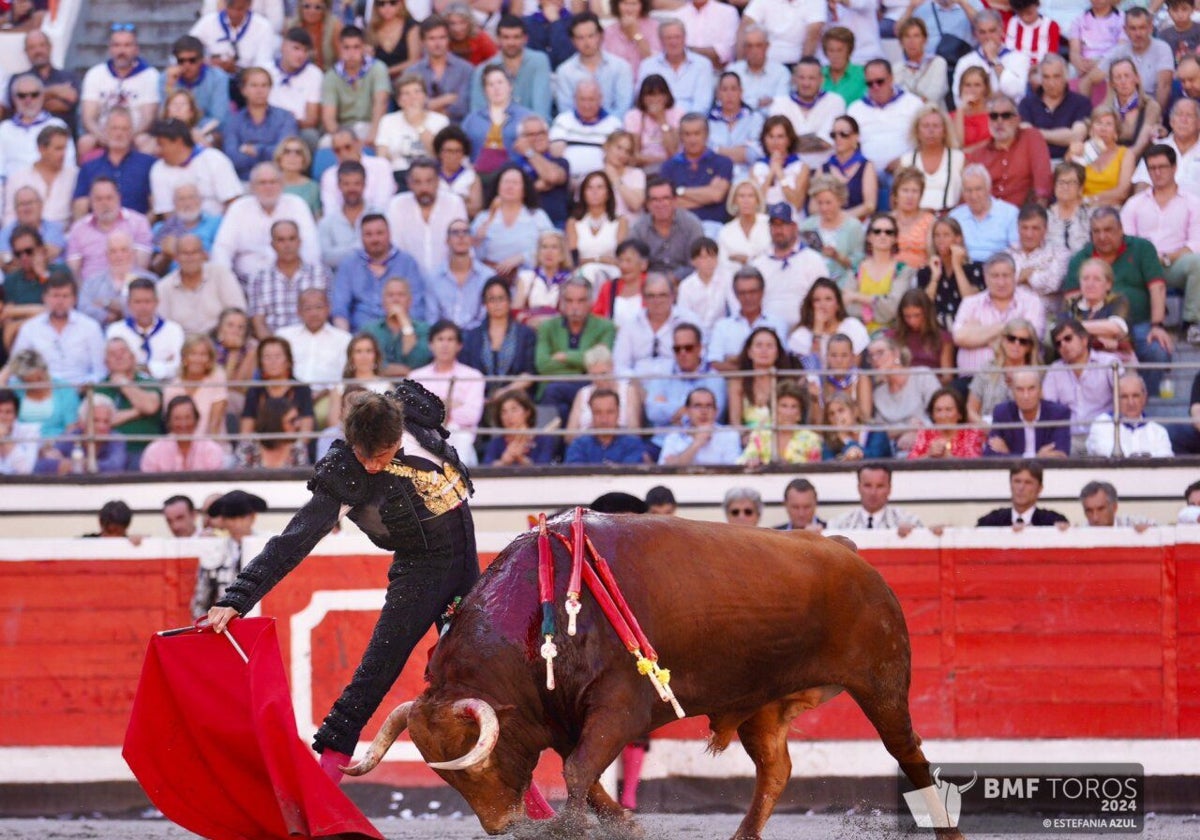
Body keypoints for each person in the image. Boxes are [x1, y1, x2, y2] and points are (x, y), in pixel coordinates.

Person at [211, 387, 496, 784]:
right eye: (362, 454)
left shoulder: (415, 416)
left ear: (398, 435)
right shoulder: (346, 470)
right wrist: (238, 597)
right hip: (419, 575)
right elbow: (295, 539)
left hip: (466, 567)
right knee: (374, 675)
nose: (370, 465)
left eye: (378, 455)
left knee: (489, 678)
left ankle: (527, 804)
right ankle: (320, 790)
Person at [1062, 207, 1173, 394]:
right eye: (1096, 231)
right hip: (1094, 327)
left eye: (1108, 230)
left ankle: (1145, 405)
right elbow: (1071, 303)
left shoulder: (1142, 248)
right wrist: (1093, 334)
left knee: (1157, 351)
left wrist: (1157, 325)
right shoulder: (1080, 259)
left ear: (1121, 230)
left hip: (1140, 325)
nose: (1102, 236)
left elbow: (1157, 288)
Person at [1120, 144, 1200, 346]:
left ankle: (1192, 322)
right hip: (1140, 267)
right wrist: (1147, 260)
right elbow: (1127, 241)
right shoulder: (1134, 204)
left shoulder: (1192, 202)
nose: (1157, 172)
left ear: (1174, 168)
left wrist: (1166, 258)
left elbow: (1195, 243)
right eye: (1152, 168)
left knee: (1197, 262)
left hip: (1174, 264)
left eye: (1162, 167)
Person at [952, 252, 1045, 376]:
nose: (1001, 282)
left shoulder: (1031, 302)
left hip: (1018, 381)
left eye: (1006, 276)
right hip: (971, 378)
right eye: (995, 276)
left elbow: (1030, 338)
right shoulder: (970, 303)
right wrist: (1005, 330)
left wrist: (977, 332)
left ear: (1014, 276)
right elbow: (959, 337)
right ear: (985, 277)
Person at [846, 60, 925, 205]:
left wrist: (905, 160)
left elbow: (925, 142)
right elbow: (849, 145)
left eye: (880, 82)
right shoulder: (855, 109)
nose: (875, 87)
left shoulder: (913, 104)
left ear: (891, 79)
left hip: (904, 170)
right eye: (870, 83)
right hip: (867, 173)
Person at [332, 213, 427, 332]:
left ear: (389, 234)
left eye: (379, 233)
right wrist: (345, 341)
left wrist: (405, 334)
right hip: (361, 339)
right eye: (368, 234)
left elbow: (416, 307)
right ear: (361, 237)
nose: (375, 239)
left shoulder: (407, 263)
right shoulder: (350, 264)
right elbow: (340, 308)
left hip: (400, 333)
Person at [642, 321, 726, 455]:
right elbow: (652, 411)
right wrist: (689, 409)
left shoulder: (714, 377)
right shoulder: (662, 374)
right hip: (662, 442)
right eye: (677, 349)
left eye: (688, 348)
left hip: (704, 442)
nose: (682, 353)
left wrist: (669, 408)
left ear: (699, 348)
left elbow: (716, 412)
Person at [409, 320, 485, 464]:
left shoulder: (473, 376)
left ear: (459, 345)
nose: (445, 344)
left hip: (461, 441)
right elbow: (414, 416)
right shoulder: (416, 377)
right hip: (425, 440)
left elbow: (471, 416)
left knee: (459, 435)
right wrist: (450, 405)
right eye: (440, 339)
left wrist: (433, 407)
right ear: (431, 344)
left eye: (450, 339)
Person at [78, 25, 160, 157]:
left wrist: (127, 136)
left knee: (145, 142)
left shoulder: (150, 75)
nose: (121, 51)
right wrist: (103, 136)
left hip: (134, 134)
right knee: (85, 142)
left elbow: (148, 119)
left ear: (136, 49)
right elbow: (88, 118)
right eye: (116, 45)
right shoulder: (95, 74)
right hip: (103, 134)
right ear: (110, 49)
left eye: (127, 45)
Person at [1042, 318, 1122, 454]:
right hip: (1069, 438)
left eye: (1068, 339)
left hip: (1105, 434)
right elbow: (1048, 408)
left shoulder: (1109, 363)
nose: (1064, 345)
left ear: (1084, 339)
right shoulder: (1055, 370)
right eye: (1058, 343)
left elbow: (1125, 396)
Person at [10, 275, 105, 385]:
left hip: (82, 391)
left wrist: (86, 385)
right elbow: (16, 367)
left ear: (74, 299)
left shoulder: (90, 327)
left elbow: (100, 371)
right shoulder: (30, 328)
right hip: (41, 392)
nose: (60, 301)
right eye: (55, 296)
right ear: (45, 298)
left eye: (65, 296)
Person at [751, 202, 826, 333]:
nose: (778, 230)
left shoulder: (813, 260)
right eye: (774, 225)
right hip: (767, 332)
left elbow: (823, 299)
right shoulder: (758, 264)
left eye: (783, 224)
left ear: (794, 227)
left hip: (805, 329)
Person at [149, 118, 244, 220]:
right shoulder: (158, 169)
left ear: (178, 142)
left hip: (219, 226)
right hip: (181, 230)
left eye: (161, 144)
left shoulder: (214, 158)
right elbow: (168, 214)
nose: (156, 150)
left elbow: (233, 203)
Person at [247, 220, 328, 338]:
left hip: (315, 342)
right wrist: (273, 349)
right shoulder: (260, 278)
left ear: (299, 242)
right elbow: (258, 322)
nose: (287, 245)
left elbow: (328, 313)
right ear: (272, 244)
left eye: (292, 239)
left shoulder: (320, 273)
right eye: (281, 240)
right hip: (275, 347)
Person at [968, 94, 1052, 206]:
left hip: (1024, 216)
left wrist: (1037, 216)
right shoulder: (978, 155)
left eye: (1006, 116)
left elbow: (1042, 185)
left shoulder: (1031, 138)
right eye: (994, 116)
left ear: (1017, 119)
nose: (999, 121)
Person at [466, 15, 552, 121]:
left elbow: (541, 109)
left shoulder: (539, 61)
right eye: (506, 37)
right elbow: (478, 113)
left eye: (516, 37)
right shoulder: (483, 70)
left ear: (525, 38)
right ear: (498, 39)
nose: (511, 43)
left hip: (532, 130)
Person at [768, 57, 845, 172]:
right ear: (794, 79)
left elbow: (826, 143)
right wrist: (813, 140)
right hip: (788, 170)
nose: (806, 83)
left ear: (821, 80)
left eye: (811, 78)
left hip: (825, 171)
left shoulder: (835, 101)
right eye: (801, 78)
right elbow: (776, 144)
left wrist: (790, 142)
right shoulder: (779, 104)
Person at [96, 337, 162, 469]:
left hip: (147, 447)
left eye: (123, 352)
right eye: (113, 354)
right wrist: (138, 411)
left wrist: (123, 383)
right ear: (106, 363)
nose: (118, 357)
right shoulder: (99, 388)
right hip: (110, 450)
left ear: (133, 357)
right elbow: (101, 421)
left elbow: (150, 407)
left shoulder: (149, 382)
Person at [843, 213, 914, 335]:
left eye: (889, 232)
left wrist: (857, 297)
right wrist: (879, 304)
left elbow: (892, 309)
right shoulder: (856, 268)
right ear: (869, 237)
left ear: (895, 238)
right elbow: (848, 307)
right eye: (877, 231)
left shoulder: (903, 270)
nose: (883, 235)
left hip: (891, 335)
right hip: (857, 333)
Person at [320, 26, 391, 147]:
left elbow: (381, 103)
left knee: (380, 141)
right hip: (343, 128)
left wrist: (373, 134)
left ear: (363, 47)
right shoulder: (331, 76)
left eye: (356, 47)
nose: (351, 53)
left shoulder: (378, 68)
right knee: (325, 144)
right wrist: (341, 137)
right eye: (346, 48)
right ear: (339, 48)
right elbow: (329, 117)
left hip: (371, 124)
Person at [223, 68, 298, 182]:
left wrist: (256, 150)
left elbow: (284, 154)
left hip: (279, 181)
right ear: (243, 90)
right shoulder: (233, 121)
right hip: (244, 182)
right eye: (254, 85)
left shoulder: (285, 117)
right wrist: (268, 153)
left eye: (264, 85)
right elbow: (233, 159)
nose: (259, 90)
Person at [869, 335, 940, 455]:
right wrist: (908, 428)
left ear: (896, 353)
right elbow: (882, 432)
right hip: (895, 449)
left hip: (930, 442)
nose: (875, 359)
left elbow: (940, 415)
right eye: (871, 356)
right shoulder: (878, 394)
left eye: (880, 353)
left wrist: (918, 433)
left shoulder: (923, 376)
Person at [707, 266, 787, 372]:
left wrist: (735, 360)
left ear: (762, 292)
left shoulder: (777, 324)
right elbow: (715, 363)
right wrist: (756, 368)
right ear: (735, 295)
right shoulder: (722, 326)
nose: (748, 297)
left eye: (753, 292)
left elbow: (781, 361)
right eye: (742, 293)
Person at [553, 12, 633, 118]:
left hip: (614, 129)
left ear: (600, 35)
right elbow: (566, 110)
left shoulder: (621, 67)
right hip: (576, 130)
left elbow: (624, 107)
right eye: (580, 38)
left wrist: (604, 126)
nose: (586, 42)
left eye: (591, 36)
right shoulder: (564, 71)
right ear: (573, 41)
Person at [104, 278, 186, 380]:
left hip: (166, 387)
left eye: (147, 302)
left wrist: (148, 368)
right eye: (137, 302)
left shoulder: (173, 330)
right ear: (129, 304)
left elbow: (179, 366)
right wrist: (163, 364)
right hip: (127, 386)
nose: (143, 307)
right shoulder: (116, 330)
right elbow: (112, 365)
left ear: (157, 302)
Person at [0, 76, 76, 184]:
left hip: (51, 187)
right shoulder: (4, 129)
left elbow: (68, 164)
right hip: (13, 192)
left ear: (42, 97)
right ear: (14, 98)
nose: (28, 100)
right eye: (22, 96)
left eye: (34, 95)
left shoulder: (57, 125)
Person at [966, 317, 1043, 423]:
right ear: (1003, 340)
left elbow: (1043, 410)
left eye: (1023, 341)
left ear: (1029, 346)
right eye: (1011, 339)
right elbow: (971, 410)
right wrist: (987, 429)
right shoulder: (987, 369)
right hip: (987, 428)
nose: (1016, 344)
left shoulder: (1037, 373)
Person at [630, 176, 705, 282]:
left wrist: (675, 278)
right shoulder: (639, 227)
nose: (660, 204)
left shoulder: (691, 224)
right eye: (655, 200)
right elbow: (633, 263)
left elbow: (698, 262)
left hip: (686, 283)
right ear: (647, 204)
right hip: (648, 284)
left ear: (675, 201)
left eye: (665, 198)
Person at [462, 66, 533, 177]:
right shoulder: (472, 120)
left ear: (510, 86)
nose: (496, 88)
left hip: (516, 177)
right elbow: (462, 151)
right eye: (490, 84)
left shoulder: (526, 117)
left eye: (500, 82)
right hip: (478, 178)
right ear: (485, 90)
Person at [1018, 54, 1090, 162]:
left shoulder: (1081, 102)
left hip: (1069, 164)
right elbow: (1027, 136)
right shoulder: (1026, 104)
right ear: (1040, 79)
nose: (1051, 83)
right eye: (1046, 77)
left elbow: (1076, 137)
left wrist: (1037, 133)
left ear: (1066, 77)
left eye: (1056, 76)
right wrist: (1064, 135)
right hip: (1035, 162)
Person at [951, 10, 1029, 109]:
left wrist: (994, 59)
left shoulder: (1018, 58)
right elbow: (959, 98)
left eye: (992, 31)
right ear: (976, 34)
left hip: (1007, 117)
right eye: (982, 32)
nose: (988, 37)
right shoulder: (965, 61)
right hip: (975, 117)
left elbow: (1015, 91)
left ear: (1001, 30)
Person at [984, 369, 1070, 458]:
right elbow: (989, 455)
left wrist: (1008, 454)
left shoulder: (1058, 414)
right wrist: (1037, 457)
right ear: (1012, 392)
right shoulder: (1002, 413)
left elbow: (1060, 455)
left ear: (1040, 390)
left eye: (1031, 388)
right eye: (1020, 389)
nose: (1026, 396)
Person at [564, 344, 643, 441]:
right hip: (587, 446)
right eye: (594, 375)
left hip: (620, 445)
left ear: (612, 367)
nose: (599, 380)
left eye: (603, 374)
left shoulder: (628, 391)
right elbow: (569, 436)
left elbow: (634, 431)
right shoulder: (583, 393)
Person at [4, 124, 76, 229]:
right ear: (42, 149)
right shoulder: (18, 178)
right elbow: (9, 218)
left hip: (64, 238)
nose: (63, 154)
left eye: (65, 148)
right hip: (27, 237)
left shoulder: (74, 176)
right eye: (58, 149)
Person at [787, 278, 868, 372]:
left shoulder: (852, 326)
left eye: (828, 299)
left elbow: (854, 369)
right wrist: (817, 330)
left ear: (838, 305)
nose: (823, 305)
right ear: (811, 306)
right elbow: (812, 374)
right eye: (817, 300)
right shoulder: (800, 335)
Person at [636, 17, 714, 114]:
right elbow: (642, 100)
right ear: (661, 40)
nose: (673, 42)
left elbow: (703, 104)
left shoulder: (702, 64)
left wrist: (685, 124)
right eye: (668, 38)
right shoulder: (648, 65)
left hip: (691, 123)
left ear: (685, 38)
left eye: (677, 37)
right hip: (655, 118)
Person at [1085, 373, 1173, 458]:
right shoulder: (1102, 424)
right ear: (1115, 399)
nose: (1131, 403)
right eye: (1124, 397)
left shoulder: (1158, 432)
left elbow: (1165, 465)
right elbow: (1110, 458)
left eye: (1135, 396)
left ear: (1144, 398)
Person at [360, 277, 433, 377]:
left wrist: (404, 322)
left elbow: (417, 361)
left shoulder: (424, 329)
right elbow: (369, 365)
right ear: (383, 301)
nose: (396, 300)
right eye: (390, 295)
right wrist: (397, 370)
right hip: (377, 387)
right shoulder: (370, 330)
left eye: (401, 295)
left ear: (410, 301)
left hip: (415, 386)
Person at [160, 334, 229, 439]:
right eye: (193, 354)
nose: (198, 359)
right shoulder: (172, 388)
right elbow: (172, 426)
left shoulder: (217, 377)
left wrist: (207, 450)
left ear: (209, 359)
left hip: (213, 446)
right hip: (181, 446)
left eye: (203, 354)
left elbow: (215, 424)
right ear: (184, 358)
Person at [1063, 257, 1133, 361]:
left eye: (1097, 279)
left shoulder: (1118, 301)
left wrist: (1075, 327)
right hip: (1077, 360)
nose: (1090, 284)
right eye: (1085, 279)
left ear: (1108, 284)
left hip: (1117, 358)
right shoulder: (1070, 303)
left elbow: (1115, 328)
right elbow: (1061, 332)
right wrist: (1101, 335)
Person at [737, 380, 821, 466]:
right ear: (774, 410)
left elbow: (815, 471)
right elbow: (744, 460)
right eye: (784, 406)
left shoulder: (811, 439)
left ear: (799, 414)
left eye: (794, 406)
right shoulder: (760, 435)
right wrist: (751, 461)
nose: (788, 412)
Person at [798, 175, 861, 288]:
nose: (824, 208)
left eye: (828, 203)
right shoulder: (807, 225)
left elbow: (859, 264)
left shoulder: (853, 226)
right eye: (820, 203)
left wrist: (837, 256)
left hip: (843, 285)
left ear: (840, 200)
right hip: (811, 285)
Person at [140, 394, 231, 472]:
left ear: (196, 419)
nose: (183, 424)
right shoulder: (154, 450)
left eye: (187, 418)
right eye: (177, 418)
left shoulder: (211, 449)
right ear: (169, 422)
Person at [190, 0, 275, 83]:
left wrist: (237, 70)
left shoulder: (263, 26)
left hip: (247, 81)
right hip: (213, 79)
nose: (234, 13)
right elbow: (188, 47)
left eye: (239, 9)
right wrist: (208, 62)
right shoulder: (208, 22)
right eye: (230, 8)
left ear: (249, 5)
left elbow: (263, 63)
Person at [948, 164, 1019, 263]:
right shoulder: (955, 216)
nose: (973, 196)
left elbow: (1017, 250)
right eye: (968, 190)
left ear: (988, 189)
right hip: (965, 267)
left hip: (998, 270)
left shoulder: (1009, 213)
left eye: (978, 189)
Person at [1066, 106, 1135, 207]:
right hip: (1081, 208)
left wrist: (1092, 199)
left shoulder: (1126, 154)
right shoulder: (1081, 150)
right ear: (1090, 129)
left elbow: (1122, 192)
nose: (1103, 129)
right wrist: (1070, 156)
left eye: (1108, 124)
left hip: (1111, 208)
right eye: (1098, 123)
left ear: (1116, 132)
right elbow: (1067, 184)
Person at [902, 106, 965, 214]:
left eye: (936, 126)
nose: (931, 131)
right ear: (917, 131)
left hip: (950, 220)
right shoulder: (907, 160)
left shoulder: (958, 158)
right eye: (925, 126)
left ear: (945, 131)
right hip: (915, 220)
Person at [319, 128, 396, 216]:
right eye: (337, 150)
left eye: (347, 147)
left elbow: (383, 203)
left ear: (358, 144)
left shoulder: (381, 166)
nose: (343, 153)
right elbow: (330, 210)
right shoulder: (329, 175)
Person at [1009, 203, 1067, 319]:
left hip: (1046, 317)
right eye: (1024, 228)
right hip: (1010, 317)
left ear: (1045, 229)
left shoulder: (1059, 253)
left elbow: (1053, 284)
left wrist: (1023, 277)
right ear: (1018, 228)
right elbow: (998, 286)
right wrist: (1027, 275)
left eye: (1035, 228)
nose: (1029, 234)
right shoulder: (1007, 255)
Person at [267, 29, 324, 146]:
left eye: (305, 50)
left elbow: (311, 120)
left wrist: (289, 121)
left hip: (299, 128)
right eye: (296, 48)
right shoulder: (266, 70)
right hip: (268, 126)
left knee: (310, 136)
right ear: (283, 46)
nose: (301, 55)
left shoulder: (314, 74)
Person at [657, 386, 741, 465]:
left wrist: (677, 460)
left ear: (716, 411)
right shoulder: (673, 437)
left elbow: (732, 472)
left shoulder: (729, 435)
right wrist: (697, 444)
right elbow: (665, 471)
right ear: (687, 411)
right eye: (697, 406)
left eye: (709, 406)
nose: (704, 412)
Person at [566, 171, 627, 279]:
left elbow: (621, 258)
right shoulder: (573, 222)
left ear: (608, 193)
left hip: (613, 274)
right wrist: (600, 260)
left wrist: (591, 260)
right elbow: (573, 260)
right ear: (583, 193)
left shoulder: (620, 221)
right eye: (589, 188)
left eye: (600, 187)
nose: (594, 192)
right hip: (582, 275)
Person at [830, 465, 923, 534]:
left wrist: (915, 534)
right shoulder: (839, 524)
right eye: (867, 486)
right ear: (859, 488)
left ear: (889, 489)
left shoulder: (909, 521)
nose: (873, 493)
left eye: (880, 486)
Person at [564, 388, 646, 464]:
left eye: (610, 412)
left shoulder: (632, 443)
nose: (604, 419)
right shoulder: (579, 445)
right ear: (591, 414)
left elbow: (630, 475)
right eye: (598, 412)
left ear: (618, 412)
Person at [977, 461, 1070, 528]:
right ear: (1010, 485)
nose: (1021, 488)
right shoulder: (990, 522)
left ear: (1039, 488)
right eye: (1017, 481)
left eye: (1028, 482)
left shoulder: (1053, 521)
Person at [888, 288, 955, 381]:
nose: (912, 321)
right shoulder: (892, 336)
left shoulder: (943, 338)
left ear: (927, 313)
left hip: (931, 386)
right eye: (907, 316)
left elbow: (947, 377)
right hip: (900, 385)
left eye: (917, 315)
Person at [820, 115, 877, 221]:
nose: (838, 138)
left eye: (844, 134)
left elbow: (869, 205)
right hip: (828, 224)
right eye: (833, 134)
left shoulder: (866, 166)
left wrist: (841, 219)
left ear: (856, 137)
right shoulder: (823, 168)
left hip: (857, 224)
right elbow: (813, 207)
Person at [749, 115, 806, 220]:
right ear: (764, 139)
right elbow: (756, 204)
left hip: (792, 220)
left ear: (789, 140)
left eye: (780, 137)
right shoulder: (756, 168)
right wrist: (771, 172)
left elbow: (797, 204)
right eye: (770, 136)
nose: (775, 142)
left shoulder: (801, 167)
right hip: (764, 220)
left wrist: (780, 174)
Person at [625, 73, 683, 173]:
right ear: (642, 97)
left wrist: (661, 119)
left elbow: (673, 151)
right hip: (643, 169)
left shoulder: (677, 113)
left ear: (667, 95)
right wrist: (663, 160)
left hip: (673, 169)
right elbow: (634, 155)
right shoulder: (633, 116)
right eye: (650, 95)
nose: (654, 99)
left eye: (659, 94)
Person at [907, 386, 985, 459]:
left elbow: (974, 467)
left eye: (948, 409)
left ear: (959, 414)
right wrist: (929, 455)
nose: (943, 415)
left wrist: (949, 458)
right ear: (932, 415)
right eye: (938, 410)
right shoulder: (925, 433)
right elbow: (908, 466)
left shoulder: (971, 433)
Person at [727, 24, 790, 114]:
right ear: (744, 48)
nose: (754, 51)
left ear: (767, 46)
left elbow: (781, 105)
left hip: (770, 124)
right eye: (749, 46)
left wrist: (743, 102)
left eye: (758, 45)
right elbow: (727, 102)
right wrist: (757, 103)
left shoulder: (781, 73)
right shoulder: (733, 71)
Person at [484, 390, 558, 465]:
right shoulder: (496, 443)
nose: (509, 416)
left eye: (514, 410)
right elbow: (485, 468)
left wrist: (520, 459)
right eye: (504, 412)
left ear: (527, 412)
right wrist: (503, 462)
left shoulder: (544, 439)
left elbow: (544, 468)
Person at [893, 18, 948, 107]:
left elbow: (933, 96)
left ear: (925, 40)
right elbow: (896, 99)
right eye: (907, 36)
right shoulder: (896, 69)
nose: (912, 41)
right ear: (901, 42)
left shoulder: (938, 63)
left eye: (916, 36)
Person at [1047, 161, 1092, 256]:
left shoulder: (1090, 215)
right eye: (1061, 182)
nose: (1065, 187)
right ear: (1054, 186)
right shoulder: (1045, 216)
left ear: (1080, 188)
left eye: (1071, 182)